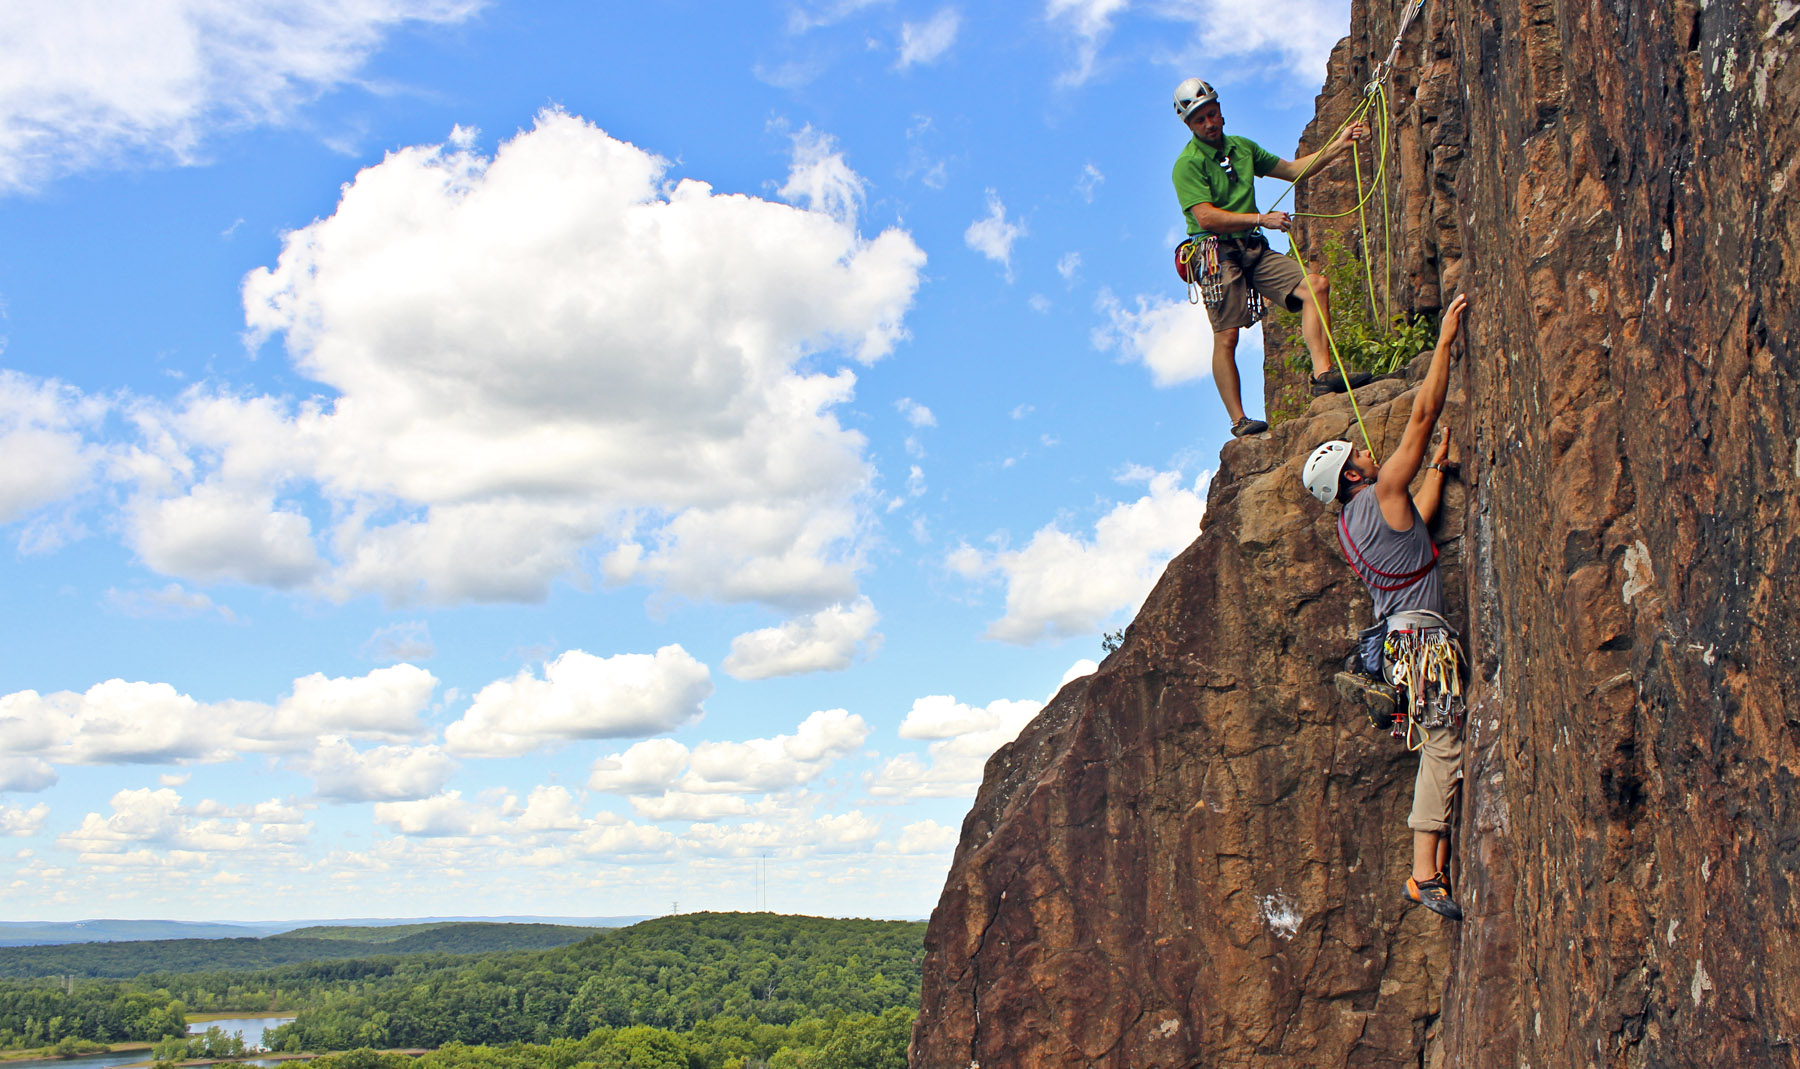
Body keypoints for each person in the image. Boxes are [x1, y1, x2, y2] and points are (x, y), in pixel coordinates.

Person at [1301, 292, 1470, 921]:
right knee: (1445, 742)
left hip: (1400, 644)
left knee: (1438, 740)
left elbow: (1414, 535)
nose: (1369, 454)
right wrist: (1446, 342)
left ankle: (1433, 861)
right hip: (1422, 644)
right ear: (1351, 476)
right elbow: (1422, 417)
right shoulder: (1379, 494)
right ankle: (1424, 874)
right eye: (1360, 457)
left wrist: (1438, 477)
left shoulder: (1353, 526)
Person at [1171, 78, 1376, 438]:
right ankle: (1239, 420)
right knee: (1227, 337)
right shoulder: (1187, 164)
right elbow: (1205, 216)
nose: (1209, 123)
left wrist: (1339, 145)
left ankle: (1323, 374)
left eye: (1212, 114)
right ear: (1189, 124)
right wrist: (1260, 218)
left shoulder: (1242, 148)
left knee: (1316, 286)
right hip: (1217, 252)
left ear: (1220, 111)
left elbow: (1293, 170)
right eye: (1200, 119)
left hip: (1251, 247)